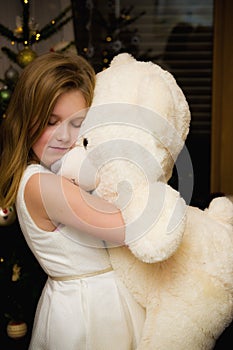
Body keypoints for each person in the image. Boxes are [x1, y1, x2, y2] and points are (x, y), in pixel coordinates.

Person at [0, 52, 145, 349]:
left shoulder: (67, 173)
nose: (64, 137)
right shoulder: (40, 184)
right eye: (51, 122)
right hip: (87, 312)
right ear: (27, 119)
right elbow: (132, 227)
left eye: (78, 123)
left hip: (107, 301)